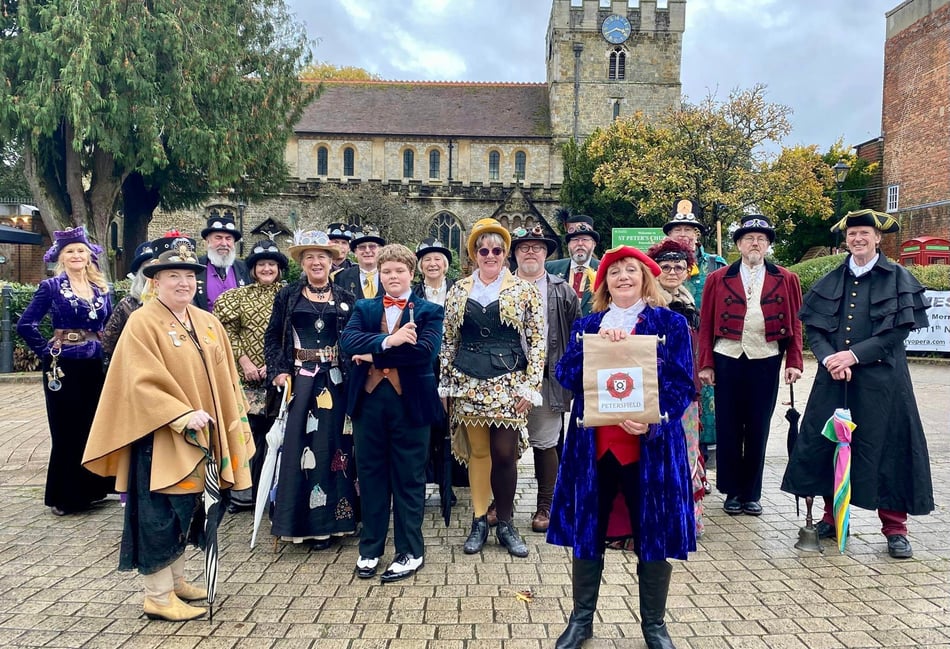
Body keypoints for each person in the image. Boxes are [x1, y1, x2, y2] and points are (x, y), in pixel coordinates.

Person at [82, 234, 254, 622]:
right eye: (172, 276)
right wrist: (178, 414)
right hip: (160, 437)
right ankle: (157, 596)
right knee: (159, 513)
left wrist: (234, 420)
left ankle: (175, 581)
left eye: (189, 276)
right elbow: (137, 380)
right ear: (155, 281)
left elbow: (226, 378)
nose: (183, 283)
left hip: (204, 436)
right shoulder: (143, 322)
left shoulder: (206, 321)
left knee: (187, 508)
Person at [547, 245, 695, 649]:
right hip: (595, 448)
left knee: (654, 529)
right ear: (604, 283)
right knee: (588, 530)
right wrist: (593, 344)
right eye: (614, 273)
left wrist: (653, 416)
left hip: (650, 448)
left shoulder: (671, 323)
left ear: (645, 278)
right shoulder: (588, 324)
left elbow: (684, 383)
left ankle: (654, 626)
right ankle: (581, 622)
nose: (623, 277)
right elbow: (566, 375)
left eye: (631, 271)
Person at [781, 209, 933, 559]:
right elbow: (816, 330)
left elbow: (897, 332)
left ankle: (895, 528)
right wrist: (829, 359)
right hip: (834, 381)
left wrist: (853, 356)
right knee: (829, 446)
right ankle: (832, 520)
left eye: (865, 233)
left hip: (883, 383)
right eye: (852, 235)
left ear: (878, 238)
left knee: (889, 448)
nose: (858, 239)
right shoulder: (832, 278)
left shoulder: (897, 277)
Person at [439, 218, 545, 558]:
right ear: (473, 253)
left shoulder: (523, 290)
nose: (490, 255)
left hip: (509, 381)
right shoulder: (458, 290)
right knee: (479, 454)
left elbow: (538, 342)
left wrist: (530, 387)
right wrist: (445, 385)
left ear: (505, 253)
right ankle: (479, 520)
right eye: (483, 249)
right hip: (467, 381)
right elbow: (447, 341)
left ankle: (507, 523)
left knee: (504, 453)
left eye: (497, 249)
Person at [340, 244, 445, 582]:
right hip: (369, 405)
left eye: (400, 271)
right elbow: (348, 342)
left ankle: (410, 551)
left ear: (411, 274)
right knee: (370, 477)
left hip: (410, 404)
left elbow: (423, 353)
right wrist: (389, 341)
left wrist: (373, 357)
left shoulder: (428, 311)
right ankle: (370, 549)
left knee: (409, 478)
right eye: (387, 272)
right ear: (380, 275)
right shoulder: (364, 306)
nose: (393, 277)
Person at [698, 215, 803, 517]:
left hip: (766, 357)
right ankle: (732, 491)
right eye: (748, 238)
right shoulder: (718, 278)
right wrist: (706, 363)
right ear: (739, 245)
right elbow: (706, 324)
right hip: (727, 356)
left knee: (758, 427)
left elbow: (796, 321)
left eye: (760, 238)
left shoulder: (786, 278)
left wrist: (794, 361)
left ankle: (751, 492)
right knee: (728, 427)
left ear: (768, 244)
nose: (754, 243)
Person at [263, 230, 358, 549]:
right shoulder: (288, 295)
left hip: (335, 382)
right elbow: (273, 337)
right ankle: (297, 522)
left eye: (323, 257)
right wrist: (278, 371)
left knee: (335, 450)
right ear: (301, 263)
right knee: (299, 450)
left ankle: (333, 523)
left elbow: (354, 339)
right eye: (310, 257)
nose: (317, 262)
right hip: (300, 383)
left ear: (333, 262)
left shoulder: (347, 298)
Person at [17, 226, 114, 516]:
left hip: (95, 363)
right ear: (61, 257)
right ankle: (66, 496)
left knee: (92, 425)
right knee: (67, 428)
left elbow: (109, 327)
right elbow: (25, 324)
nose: (76, 255)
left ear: (89, 256)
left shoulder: (101, 289)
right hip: (64, 365)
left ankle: (94, 489)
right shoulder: (51, 287)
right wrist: (46, 351)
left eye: (80, 251)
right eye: (69, 251)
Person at [511, 225, 579, 533]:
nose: (530, 251)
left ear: (546, 254)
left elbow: (576, 332)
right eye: (523, 247)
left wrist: (571, 375)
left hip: (547, 380)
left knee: (545, 443)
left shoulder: (562, 288)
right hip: (506, 380)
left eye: (537, 247)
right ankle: (500, 505)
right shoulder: (500, 285)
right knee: (504, 445)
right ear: (514, 253)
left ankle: (545, 506)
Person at [214, 238, 288, 513]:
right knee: (250, 434)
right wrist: (244, 362)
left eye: (271, 264)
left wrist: (275, 364)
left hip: (280, 376)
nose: (267, 269)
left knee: (278, 435)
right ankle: (246, 493)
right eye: (261, 265)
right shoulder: (236, 297)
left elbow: (291, 333)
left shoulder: (290, 294)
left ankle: (274, 495)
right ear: (253, 269)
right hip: (247, 378)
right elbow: (225, 332)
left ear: (279, 268)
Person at [647, 239, 705, 538]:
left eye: (678, 267)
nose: (672, 272)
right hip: (655, 389)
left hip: (687, 388)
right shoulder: (649, 304)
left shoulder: (690, 300)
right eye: (665, 266)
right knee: (658, 452)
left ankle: (687, 518)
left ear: (687, 270)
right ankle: (659, 517)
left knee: (689, 451)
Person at [663, 199, 726, 467]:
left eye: (689, 230)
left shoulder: (715, 264)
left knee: (709, 405)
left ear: (697, 234)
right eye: (678, 230)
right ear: (668, 235)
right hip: (668, 349)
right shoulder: (658, 265)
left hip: (706, 346)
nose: (684, 235)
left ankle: (703, 463)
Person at [411, 238, 466, 505]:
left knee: (449, 427)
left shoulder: (459, 290)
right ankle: (419, 484)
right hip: (422, 369)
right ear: (421, 266)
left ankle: (448, 485)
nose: (433, 264)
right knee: (422, 428)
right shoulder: (412, 296)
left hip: (455, 367)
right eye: (427, 260)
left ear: (446, 265)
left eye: (438, 259)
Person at [102, 240, 156, 367]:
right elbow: (108, 342)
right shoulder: (127, 304)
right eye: (148, 266)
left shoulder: (175, 304)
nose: (153, 273)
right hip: (135, 364)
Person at [546, 214, 601, 316]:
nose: (580, 244)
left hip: (590, 330)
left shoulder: (604, 270)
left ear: (594, 244)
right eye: (575, 240)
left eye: (585, 239)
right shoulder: (551, 268)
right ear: (568, 245)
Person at [193, 215, 250, 311]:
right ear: (208, 241)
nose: (224, 244)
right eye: (218, 238)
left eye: (228, 239)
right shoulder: (196, 266)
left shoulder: (245, 268)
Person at [333, 226, 385, 299]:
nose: (367, 251)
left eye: (372, 246)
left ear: (380, 250)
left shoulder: (390, 275)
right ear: (355, 252)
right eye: (362, 247)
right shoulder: (340, 278)